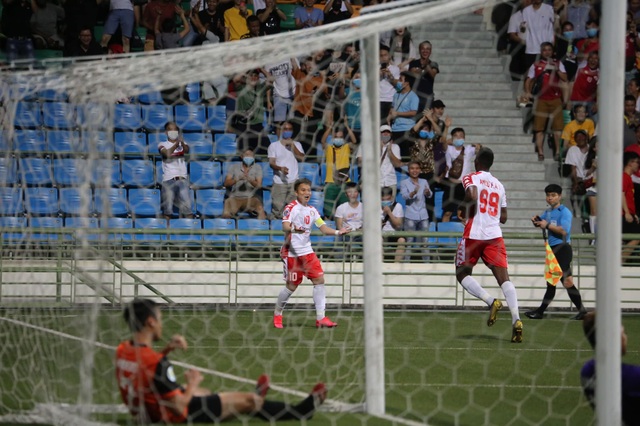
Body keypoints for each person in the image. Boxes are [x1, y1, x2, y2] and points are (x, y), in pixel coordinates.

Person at [116, 298, 327, 423]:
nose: (162, 324)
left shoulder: (123, 350)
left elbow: (147, 368)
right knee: (248, 402)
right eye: (160, 320)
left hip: (146, 411)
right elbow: (180, 407)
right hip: (170, 415)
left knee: (206, 394)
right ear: (151, 322)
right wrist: (191, 384)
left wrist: (168, 349)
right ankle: (302, 411)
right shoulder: (157, 363)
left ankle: (245, 402)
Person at [456, 147, 523, 343]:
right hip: (494, 236)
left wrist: (462, 208)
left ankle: (490, 301)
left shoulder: (471, 177)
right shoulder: (499, 185)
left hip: (474, 233)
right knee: (504, 278)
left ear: (477, 162)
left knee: (462, 273)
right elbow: (504, 218)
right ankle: (516, 319)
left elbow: (473, 195)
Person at [273, 178, 350, 329]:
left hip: (307, 251)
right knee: (291, 287)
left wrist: (337, 232)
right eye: (303, 190)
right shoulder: (291, 207)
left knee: (319, 280)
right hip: (292, 252)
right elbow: (285, 226)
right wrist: (295, 230)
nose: (307, 193)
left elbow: (322, 228)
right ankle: (278, 313)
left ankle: (321, 318)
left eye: (308, 190)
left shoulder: (312, 210)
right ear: (296, 192)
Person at [526, 184, 588, 320]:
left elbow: (564, 231)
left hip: (563, 249)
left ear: (560, 196)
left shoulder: (565, 212)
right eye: (548, 195)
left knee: (565, 282)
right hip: (553, 250)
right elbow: (542, 222)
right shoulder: (548, 212)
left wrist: (546, 225)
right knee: (554, 282)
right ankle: (542, 312)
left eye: (553, 195)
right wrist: (536, 221)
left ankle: (541, 312)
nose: (550, 198)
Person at [580, 311, 640, 426]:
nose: (625, 336)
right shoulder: (632, 376)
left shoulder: (587, 371)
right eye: (622, 332)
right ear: (612, 337)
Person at [523, 42, 568, 161]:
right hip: (541, 100)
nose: (547, 52)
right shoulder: (536, 64)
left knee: (557, 128)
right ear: (541, 52)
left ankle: (558, 152)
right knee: (539, 128)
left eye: (549, 50)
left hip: (556, 99)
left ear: (552, 52)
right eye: (544, 50)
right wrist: (528, 92)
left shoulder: (558, 63)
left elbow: (565, 78)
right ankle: (541, 152)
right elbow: (528, 80)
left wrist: (556, 69)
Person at [321, 119, 357, 220]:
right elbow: (323, 141)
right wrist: (330, 128)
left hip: (344, 183)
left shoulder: (346, 147)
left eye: (341, 137)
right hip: (330, 183)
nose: (338, 139)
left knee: (345, 210)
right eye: (336, 137)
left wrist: (347, 127)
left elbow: (354, 141)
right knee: (328, 211)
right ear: (333, 138)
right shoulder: (329, 148)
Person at [268, 122, 305, 219]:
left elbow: (301, 158)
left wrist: (292, 145)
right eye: (285, 129)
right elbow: (271, 163)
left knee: (294, 211)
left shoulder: (297, 144)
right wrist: (280, 168)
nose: (287, 131)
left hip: (294, 182)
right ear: (280, 130)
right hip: (279, 182)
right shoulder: (274, 146)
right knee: (277, 210)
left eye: (290, 129)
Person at [158, 122, 193, 220]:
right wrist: (176, 144)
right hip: (168, 179)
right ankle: (167, 232)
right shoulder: (162, 144)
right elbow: (167, 154)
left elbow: (187, 150)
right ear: (166, 132)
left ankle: (190, 231)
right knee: (168, 210)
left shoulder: (182, 144)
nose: (173, 132)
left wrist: (180, 142)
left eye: (175, 129)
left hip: (182, 179)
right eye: (170, 129)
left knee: (188, 209)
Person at [400, 161, 431, 261]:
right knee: (409, 241)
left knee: (425, 241)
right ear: (408, 170)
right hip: (410, 215)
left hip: (423, 215)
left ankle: (427, 264)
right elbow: (404, 196)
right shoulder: (404, 182)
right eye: (412, 168)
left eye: (417, 168)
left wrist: (428, 192)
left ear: (420, 170)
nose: (415, 170)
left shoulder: (424, 181)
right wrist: (413, 192)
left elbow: (430, 195)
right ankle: (406, 263)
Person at [222, 149, 266, 219]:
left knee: (261, 210)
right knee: (226, 210)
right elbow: (226, 183)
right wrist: (237, 179)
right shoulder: (234, 167)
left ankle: (262, 227)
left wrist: (250, 180)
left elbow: (259, 186)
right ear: (242, 156)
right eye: (247, 155)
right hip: (235, 198)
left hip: (251, 198)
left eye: (251, 155)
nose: (249, 157)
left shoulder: (257, 167)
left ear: (254, 157)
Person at [389, 71, 419, 160]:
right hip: (395, 129)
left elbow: (413, 112)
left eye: (401, 80)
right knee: (395, 155)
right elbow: (393, 108)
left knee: (406, 156)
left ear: (407, 83)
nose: (398, 82)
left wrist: (398, 113)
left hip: (407, 129)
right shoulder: (396, 94)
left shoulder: (413, 97)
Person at [408, 40, 439, 112]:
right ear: (419, 50)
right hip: (414, 96)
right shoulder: (413, 63)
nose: (425, 51)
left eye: (427, 49)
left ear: (430, 51)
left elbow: (432, 74)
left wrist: (426, 66)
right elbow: (413, 72)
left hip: (427, 98)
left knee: (426, 120)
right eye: (423, 48)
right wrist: (426, 69)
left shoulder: (434, 64)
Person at [622, 151, 640, 264]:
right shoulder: (624, 177)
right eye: (637, 162)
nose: (638, 165)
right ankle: (620, 260)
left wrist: (634, 214)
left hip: (628, 213)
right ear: (630, 163)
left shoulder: (628, 178)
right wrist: (627, 213)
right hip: (623, 214)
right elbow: (621, 193)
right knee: (637, 236)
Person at [381, 186, 405, 263]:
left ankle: (396, 265)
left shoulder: (398, 206)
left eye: (387, 199)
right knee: (378, 241)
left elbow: (398, 224)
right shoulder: (376, 206)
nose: (385, 201)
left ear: (391, 197)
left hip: (394, 233)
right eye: (383, 200)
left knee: (402, 240)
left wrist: (389, 213)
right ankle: (380, 265)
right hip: (381, 233)